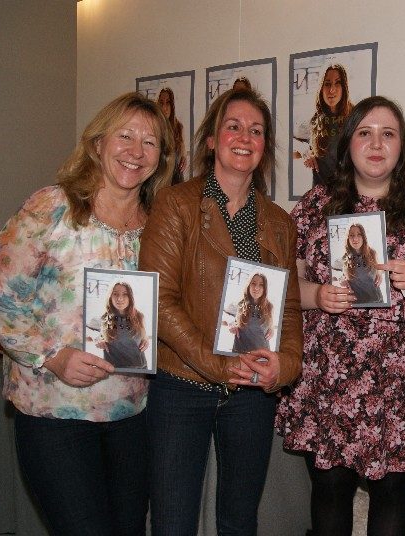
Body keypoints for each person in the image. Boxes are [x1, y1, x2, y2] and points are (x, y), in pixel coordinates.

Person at [0, 92, 175, 535]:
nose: (136, 151)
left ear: (161, 158)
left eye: (150, 143)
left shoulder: (160, 224)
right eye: (125, 136)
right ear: (98, 143)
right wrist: (53, 355)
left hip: (132, 414)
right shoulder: (53, 207)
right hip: (55, 415)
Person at [277, 96, 405, 536]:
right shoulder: (315, 207)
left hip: (396, 379)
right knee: (331, 485)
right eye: (365, 133)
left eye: (388, 134)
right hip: (329, 373)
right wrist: (317, 294)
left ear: (401, 146)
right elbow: (285, 291)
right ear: (348, 143)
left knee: (392, 487)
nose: (377, 144)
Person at [139, 87, 302, 536]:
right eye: (234, 126)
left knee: (239, 519)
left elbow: (288, 309)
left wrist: (285, 366)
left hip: (252, 388)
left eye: (256, 130)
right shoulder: (175, 205)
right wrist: (215, 364)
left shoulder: (280, 223)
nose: (245, 137)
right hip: (181, 383)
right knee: (173, 520)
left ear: (265, 146)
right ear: (211, 138)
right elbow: (159, 300)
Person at [301, 64, 354, 187]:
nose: (332, 90)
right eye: (327, 84)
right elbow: (291, 144)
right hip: (321, 196)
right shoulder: (314, 119)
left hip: (348, 194)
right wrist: (305, 152)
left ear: (344, 87)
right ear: (321, 87)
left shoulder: (355, 116)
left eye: (337, 83)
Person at [97, 281, 149, 369]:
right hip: (113, 370)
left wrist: (146, 341)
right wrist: (98, 341)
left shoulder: (139, 316)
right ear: (110, 297)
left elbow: (144, 337)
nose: (120, 298)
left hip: (139, 369)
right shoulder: (104, 318)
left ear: (130, 297)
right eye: (115, 294)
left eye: (125, 294)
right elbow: (96, 336)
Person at [230, 273, 274, 354]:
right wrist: (232, 326)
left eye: (261, 285)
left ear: (265, 288)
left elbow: (271, 326)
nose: (256, 288)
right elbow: (234, 322)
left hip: (262, 354)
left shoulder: (269, 306)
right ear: (248, 285)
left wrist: (272, 329)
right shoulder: (240, 304)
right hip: (240, 352)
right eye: (253, 283)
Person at [340, 223, 383, 304]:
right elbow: (338, 275)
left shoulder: (372, 253)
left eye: (359, 235)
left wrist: (380, 273)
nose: (355, 239)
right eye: (352, 235)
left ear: (363, 237)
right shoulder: (345, 258)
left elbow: (380, 268)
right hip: (357, 303)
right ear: (348, 238)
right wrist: (342, 279)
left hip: (376, 301)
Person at [157, 87, 186, 185]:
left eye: (168, 103)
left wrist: (184, 156)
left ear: (172, 105)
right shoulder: (154, 127)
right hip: (158, 178)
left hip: (175, 179)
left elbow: (182, 149)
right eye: (161, 103)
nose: (164, 107)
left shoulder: (178, 127)